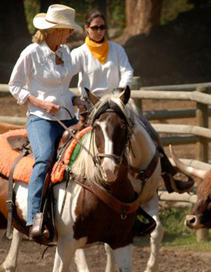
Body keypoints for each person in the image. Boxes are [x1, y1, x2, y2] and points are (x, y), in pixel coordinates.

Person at [71, 10, 193, 193]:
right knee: (72, 142)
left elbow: (127, 70)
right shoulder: (79, 53)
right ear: (87, 29)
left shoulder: (117, 49)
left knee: (150, 132)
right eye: (95, 27)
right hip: (92, 106)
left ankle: (169, 177)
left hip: (117, 103)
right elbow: (65, 76)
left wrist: (120, 90)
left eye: (102, 27)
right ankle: (70, 180)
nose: (99, 31)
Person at [8, 4, 84, 243]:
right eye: (66, 30)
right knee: (44, 159)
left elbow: (61, 89)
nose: (69, 34)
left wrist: (76, 98)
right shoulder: (31, 53)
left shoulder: (66, 52)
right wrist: (41, 104)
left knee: (91, 153)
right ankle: (34, 218)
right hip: (41, 119)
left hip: (67, 117)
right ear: (54, 30)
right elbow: (15, 86)